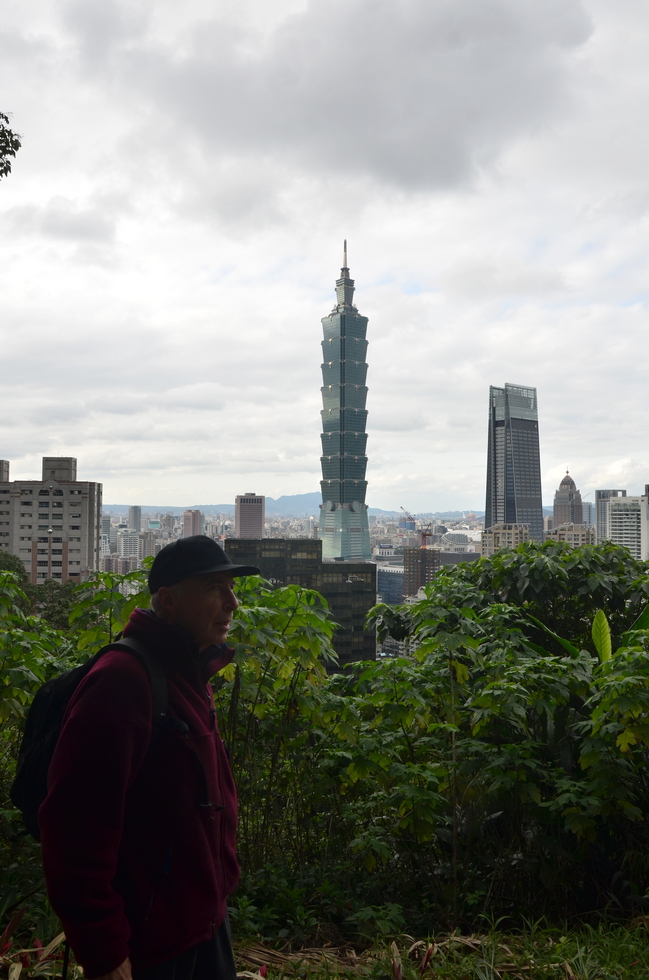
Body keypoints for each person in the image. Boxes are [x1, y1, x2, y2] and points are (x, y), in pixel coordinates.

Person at [39, 536, 260, 980]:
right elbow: (74, 830)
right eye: (215, 588)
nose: (232, 603)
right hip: (150, 947)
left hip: (204, 927)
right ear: (168, 600)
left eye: (232, 589)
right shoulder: (123, 681)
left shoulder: (191, 672)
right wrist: (104, 952)